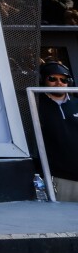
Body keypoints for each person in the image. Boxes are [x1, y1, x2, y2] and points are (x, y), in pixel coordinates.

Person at [38, 61, 78, 202]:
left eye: (63, 79)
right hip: (60, 177)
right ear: (43, 80)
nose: (59, 83)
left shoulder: (76, 103)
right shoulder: (35, 105)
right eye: (53, 79)